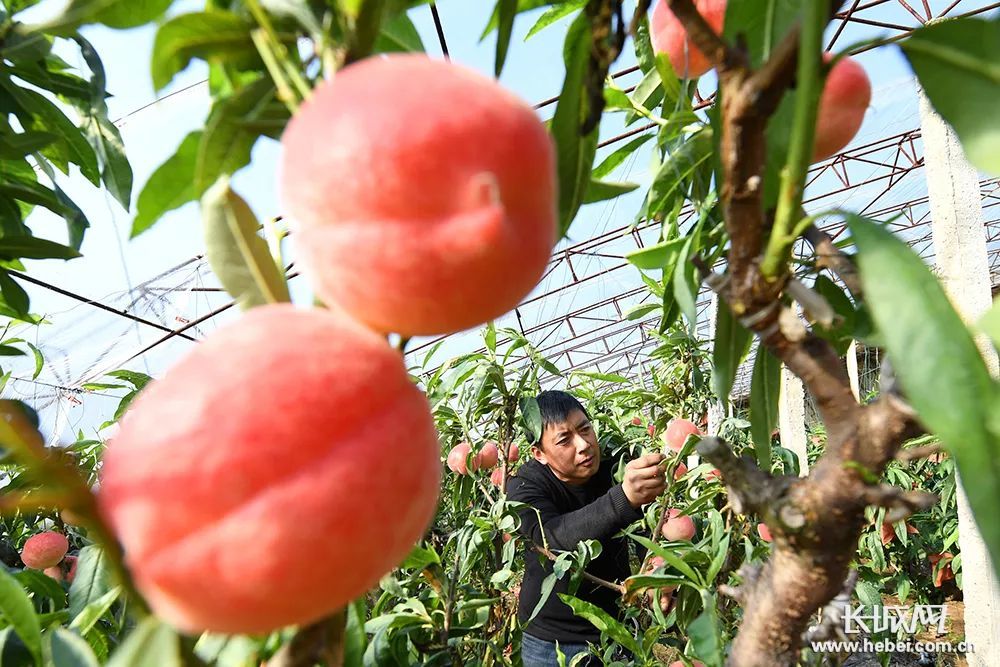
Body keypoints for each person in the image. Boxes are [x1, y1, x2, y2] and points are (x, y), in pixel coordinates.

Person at [507, 390, 667, 666]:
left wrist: (654, 576)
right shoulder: (523, 485)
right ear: (539, 453)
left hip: (615, 629)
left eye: (585, 429)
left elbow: (646, 527)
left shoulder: (615, 465)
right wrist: (623, 498)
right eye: (564, 440)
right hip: (550, 641)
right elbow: (552, 538)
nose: (583, 445)